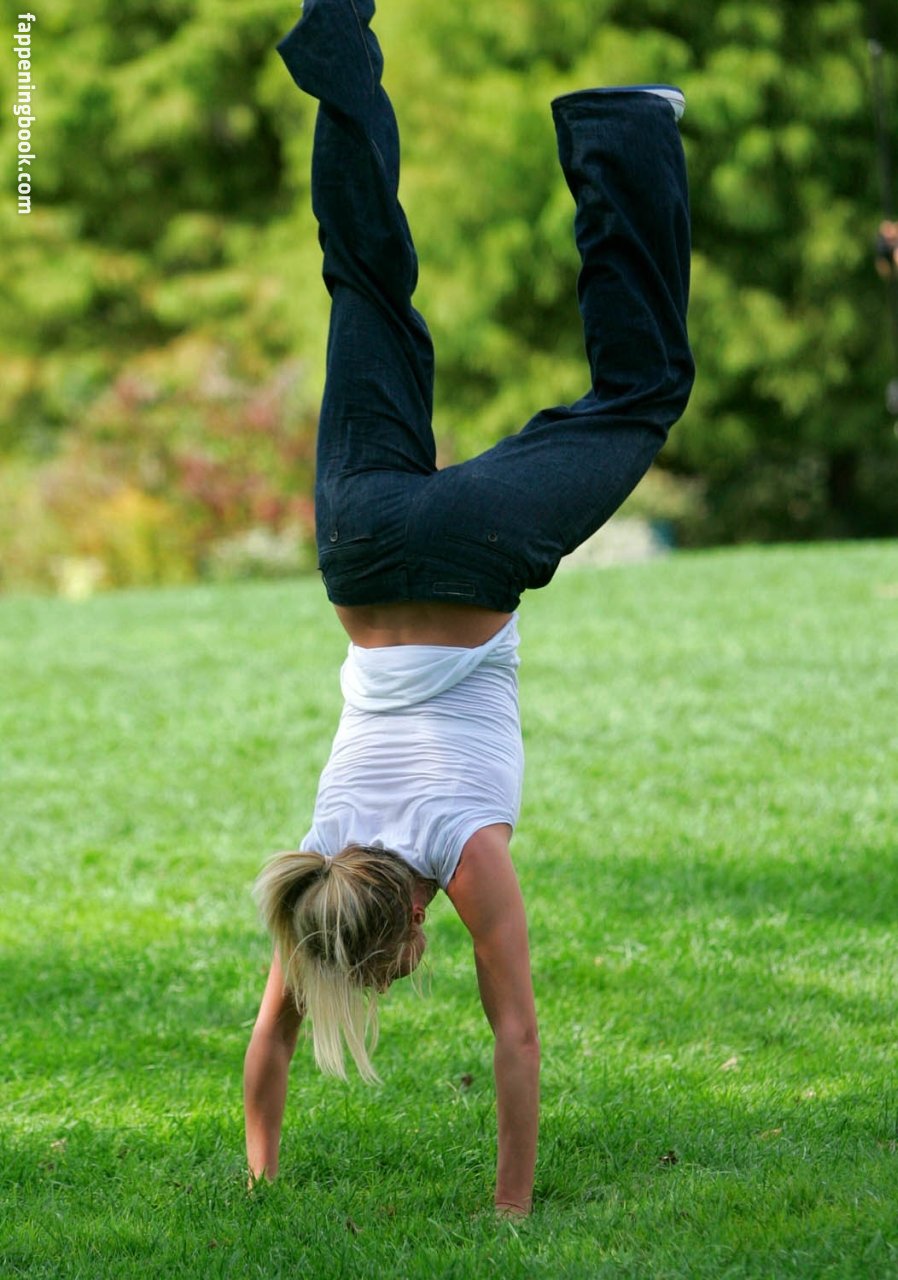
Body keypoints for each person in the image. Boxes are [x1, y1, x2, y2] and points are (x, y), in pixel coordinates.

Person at [243, 0, 694, 1217]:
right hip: (356, 542)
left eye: (392, 968)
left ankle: (622, 127)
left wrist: (510, 1207)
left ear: (401, 926)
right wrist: (258, 1172)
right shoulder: (319, 860)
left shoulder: (461, 850)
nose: (396, 974)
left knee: (643, 391)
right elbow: (268, 1046)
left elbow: (517, 1034)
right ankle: (334, 27)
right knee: (363, 278)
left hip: (466, 556)